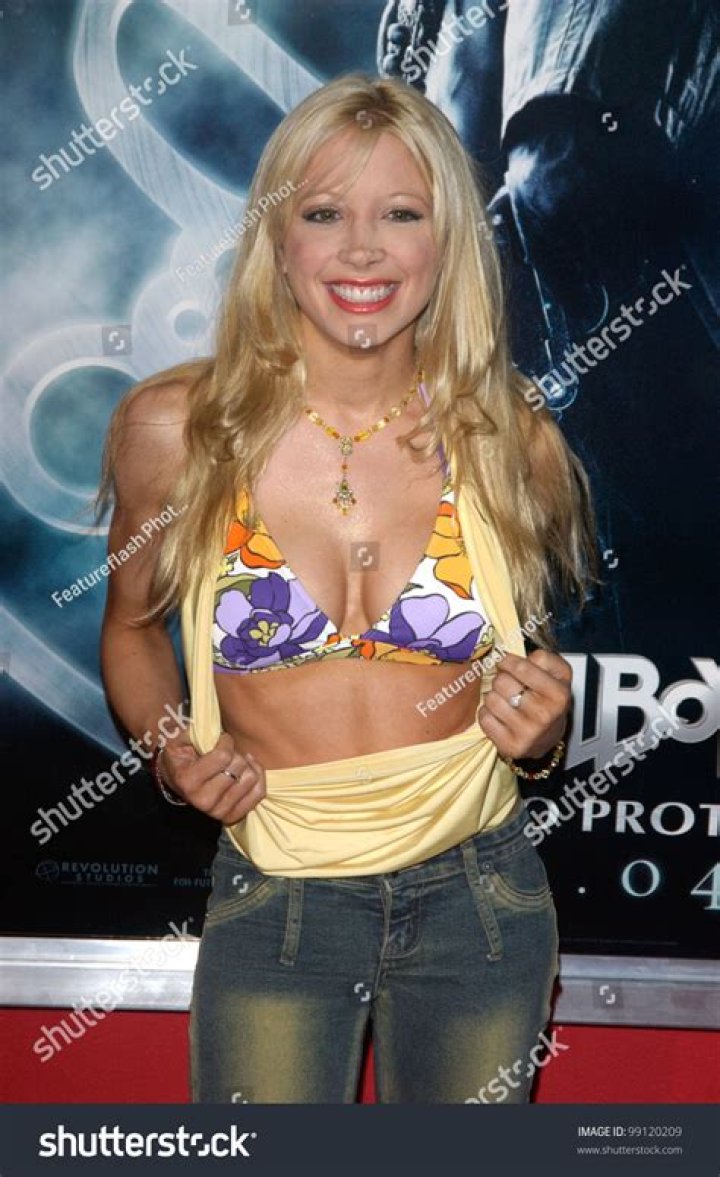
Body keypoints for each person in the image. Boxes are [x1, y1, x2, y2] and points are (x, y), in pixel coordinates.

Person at [97, 72, 595, 1104]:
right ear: (278, 239)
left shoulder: (510, 438)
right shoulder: (179, 430)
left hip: (481, 895)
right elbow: (133, 630)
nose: (362, 250)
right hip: (277, 894)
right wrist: (174, 752)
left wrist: (545, 729)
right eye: (324, 213)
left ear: (446, 243)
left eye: (401, 214)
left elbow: (531, 665)